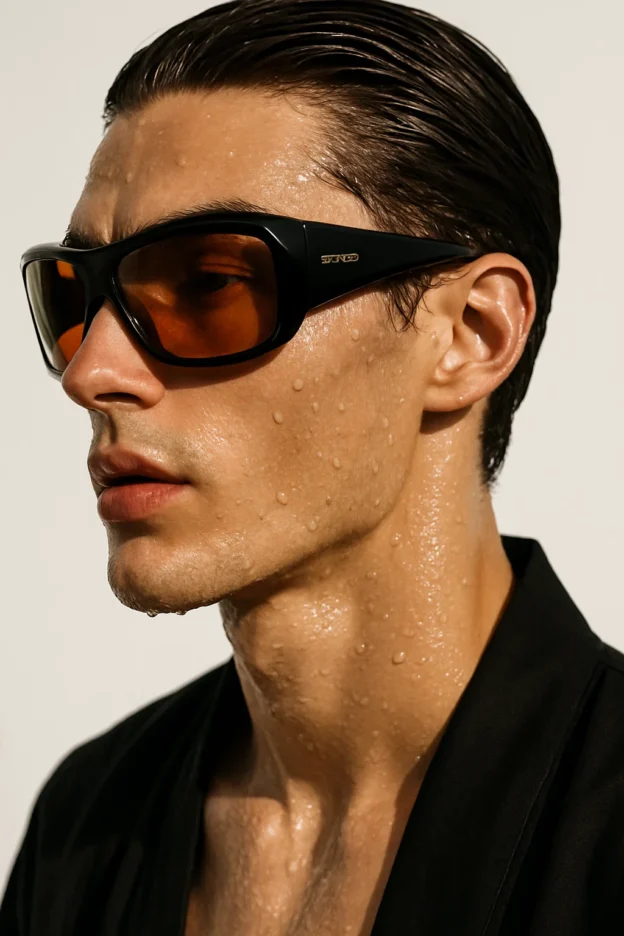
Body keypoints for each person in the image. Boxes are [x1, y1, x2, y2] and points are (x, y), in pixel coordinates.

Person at [2, 0, 623, 933]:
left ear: (471, 333)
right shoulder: (88, 828)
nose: (92, 372)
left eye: (212, 283)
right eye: (74, 296)